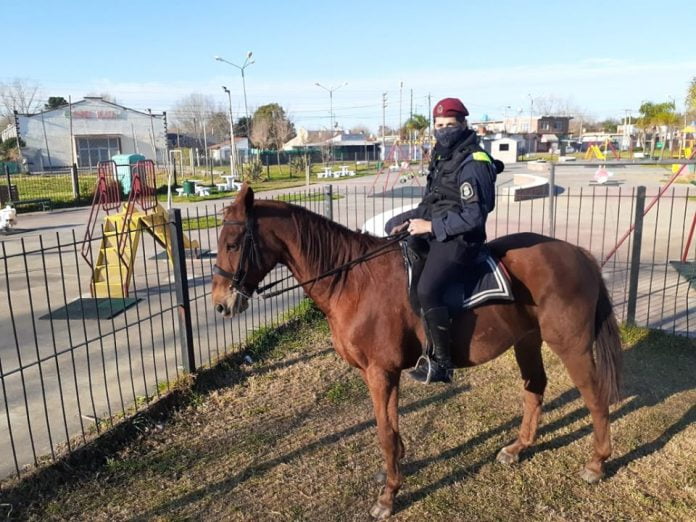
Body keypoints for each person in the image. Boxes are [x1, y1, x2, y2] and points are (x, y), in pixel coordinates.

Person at [391, 97, 498, 384]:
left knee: (427, 289)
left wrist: (429, 225)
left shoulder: (474, 161)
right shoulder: (443, 155)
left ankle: (442, 363)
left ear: (463, 125)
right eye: (438, 125)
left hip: (462, 239)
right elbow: (433, 202)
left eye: (450, 125)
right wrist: (406, 218)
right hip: (437, 229)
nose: (443, 130)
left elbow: (474, 216)